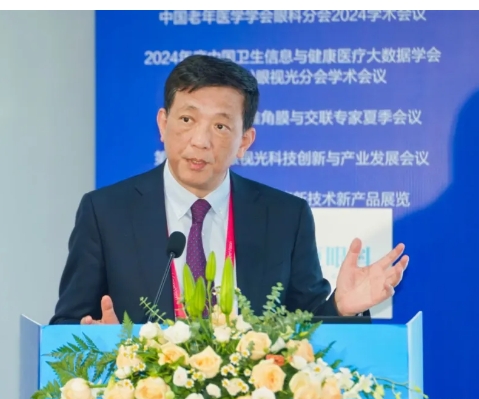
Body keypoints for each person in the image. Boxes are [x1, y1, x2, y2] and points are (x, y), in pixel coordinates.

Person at [50, 55, 408, 326]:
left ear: (244, 142)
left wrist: (341, 308)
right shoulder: (106, 212)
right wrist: (100, 344)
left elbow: (306, 326)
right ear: (163, 123)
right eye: (187, 119)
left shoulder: (285, 217)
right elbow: (67, 324)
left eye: (220, 126)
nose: (200, 140)